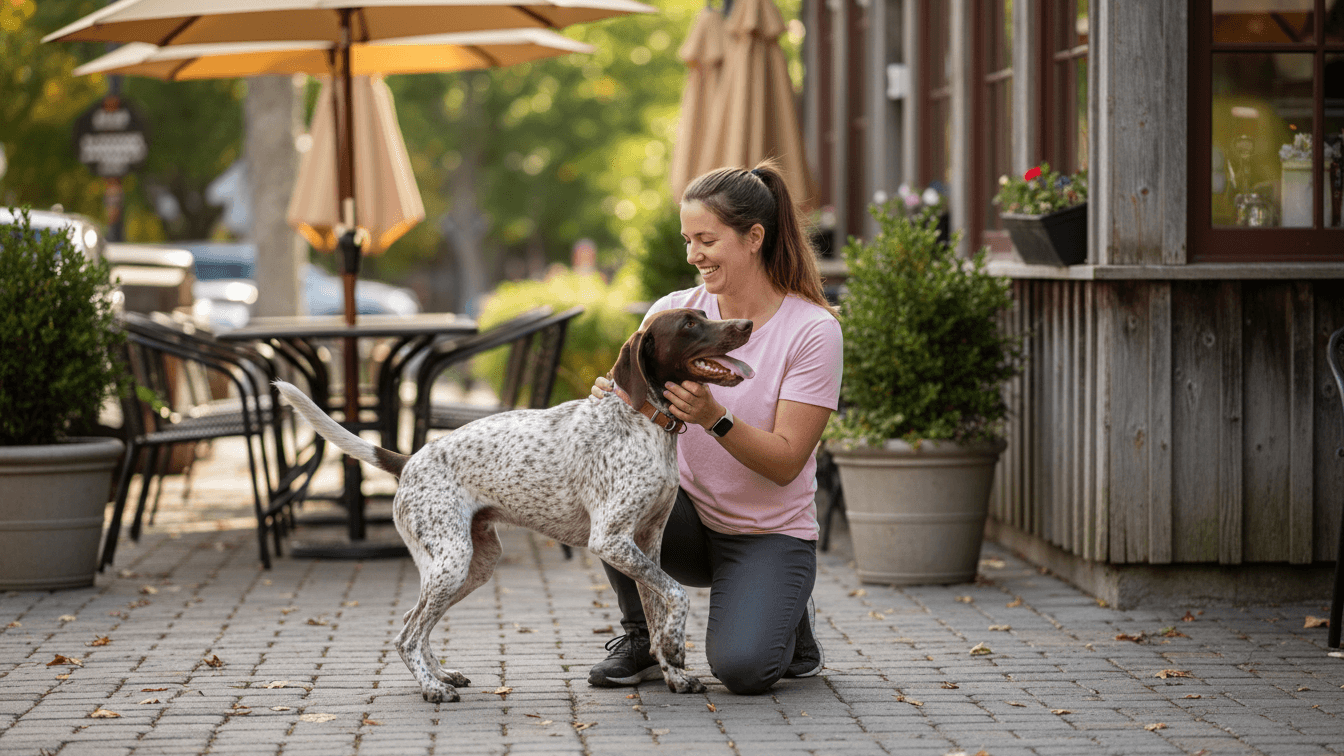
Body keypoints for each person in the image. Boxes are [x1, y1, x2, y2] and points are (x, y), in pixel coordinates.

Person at [587, 160, 843, 695]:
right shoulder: (673, 312)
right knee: (614, 490)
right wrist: (615, 399)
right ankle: (642, 638)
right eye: (687, 240)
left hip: (767, 534)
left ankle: (791, 621)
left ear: (754, 237)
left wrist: (714, 418)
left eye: (706, 239)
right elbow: (628, 423)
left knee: (744, 670)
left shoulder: (812, 330)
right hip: (682, 521)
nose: (692, 255)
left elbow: (786, 461)